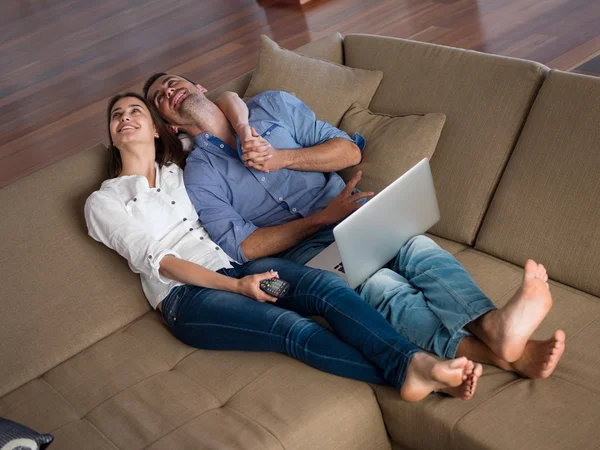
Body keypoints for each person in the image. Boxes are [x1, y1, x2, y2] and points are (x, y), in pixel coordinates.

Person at [143, 73, 566, 380]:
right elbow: (245, 248)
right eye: (160, 97)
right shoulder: (200, 175)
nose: (168, 90)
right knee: (380, 287)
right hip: (304, 251)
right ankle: (504, 352)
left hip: (355, 211)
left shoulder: (271, 105)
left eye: (172, 81)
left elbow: (348, 150)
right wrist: (321, 220)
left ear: (200, 87)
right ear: (173, 126)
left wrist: (284, 158)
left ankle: (495, 328)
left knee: (418, 249)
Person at [84, 92, 482, 403]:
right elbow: (163, 262)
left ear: (158, 129)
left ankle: (417, 365)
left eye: (135, 110)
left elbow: (220, 104)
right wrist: (239, 287)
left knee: (326, 288)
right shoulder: (103, 203)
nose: (125, 118)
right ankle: (412, 372)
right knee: (291, 327)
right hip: (190, 297)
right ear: (111, 136)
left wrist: (240, 126)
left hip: (242, 273)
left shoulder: (182, 165)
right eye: (117, 116)